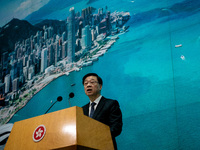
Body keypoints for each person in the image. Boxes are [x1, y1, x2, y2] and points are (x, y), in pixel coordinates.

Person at [82, 73, 123, 150]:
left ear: (100, 86)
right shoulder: (82, 110)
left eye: (92, 82)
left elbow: (116, 128)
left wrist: (94, 136)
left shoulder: (111, 104)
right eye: (85, 83)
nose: (88, 85)